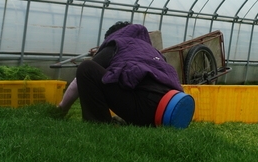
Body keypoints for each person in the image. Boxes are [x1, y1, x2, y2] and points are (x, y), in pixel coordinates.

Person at [57, 22, 191, 127]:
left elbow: (77, 82)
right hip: (171, 106)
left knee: (86, 69)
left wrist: (61, 109)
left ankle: (98, 124)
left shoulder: (117, 43)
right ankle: (128, 120)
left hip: (147, 108)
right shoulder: (152, 50)